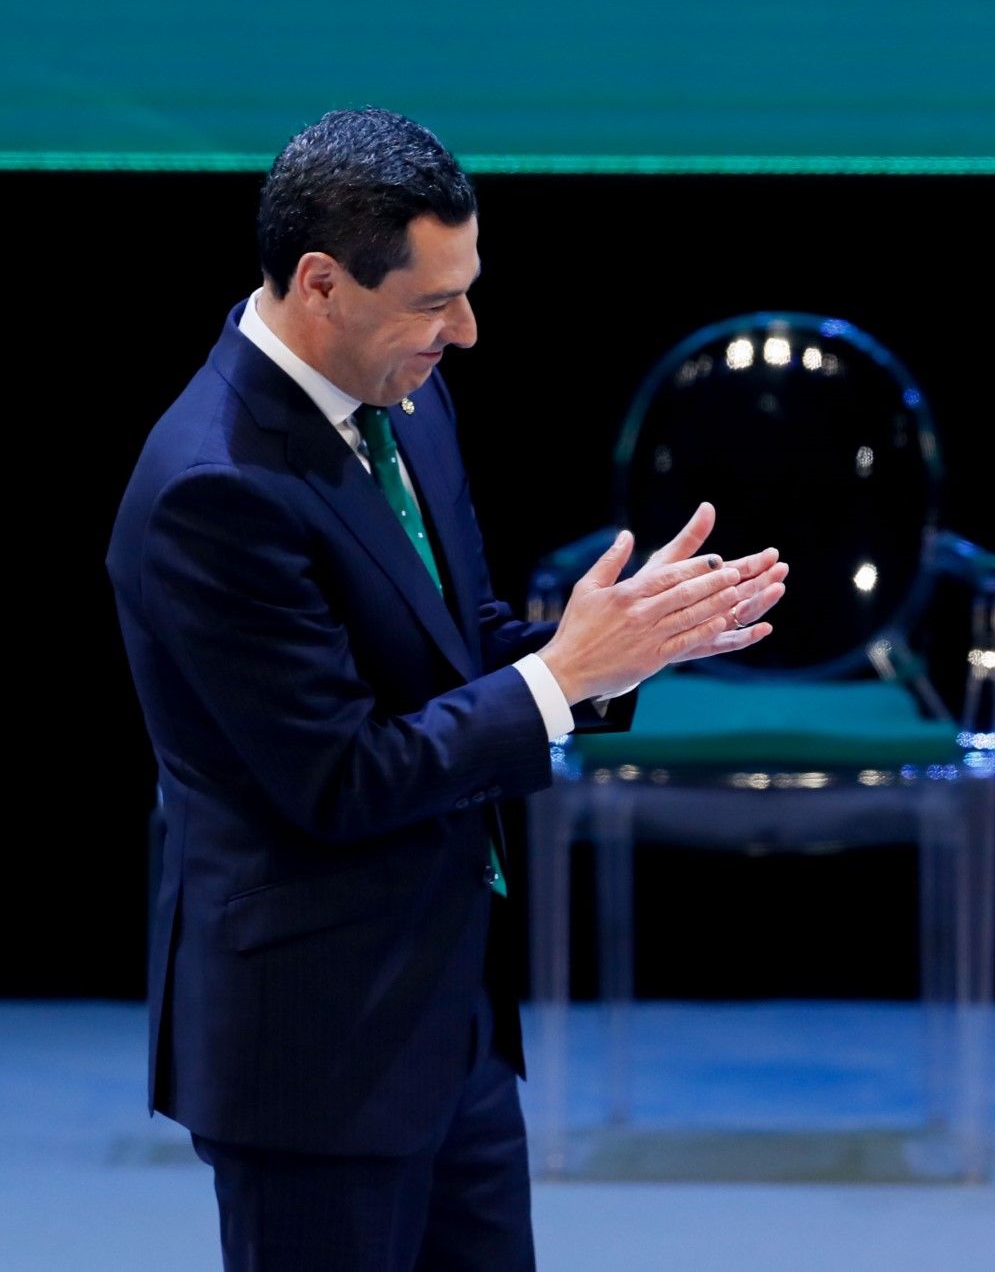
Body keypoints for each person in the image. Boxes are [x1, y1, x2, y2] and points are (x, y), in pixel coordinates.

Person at [106, 108, 788, 1271]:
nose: (464, 331)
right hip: (312, 1054)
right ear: (320, 284)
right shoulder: (209, 491)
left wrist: (618, 648)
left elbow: (450, 641)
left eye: (466, 290)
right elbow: (341, 778)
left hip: (453, 1024)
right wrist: (559, 678)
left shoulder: (405, 400)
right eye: (433, 301)